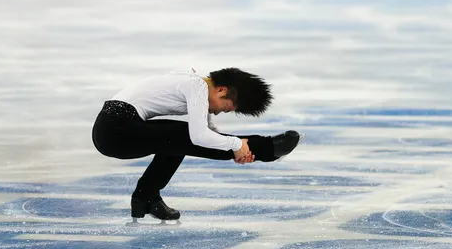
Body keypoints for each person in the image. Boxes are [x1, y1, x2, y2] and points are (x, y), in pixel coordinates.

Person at [91, 67, 302, 222]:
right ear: (221, 90)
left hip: (118, 128)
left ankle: (146, 199)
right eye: (226, 108)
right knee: (182, 136)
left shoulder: (196, 84)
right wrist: (236, 144)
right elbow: (200, 137)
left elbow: (208, 134)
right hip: (116, 132)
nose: (220, 112)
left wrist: (236, 147)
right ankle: (266, 148)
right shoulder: (196, 86)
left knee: (177, 141)